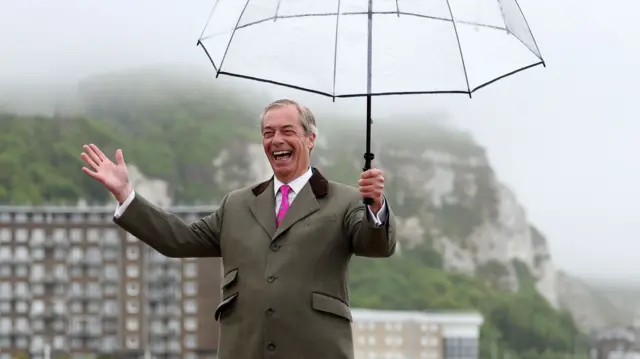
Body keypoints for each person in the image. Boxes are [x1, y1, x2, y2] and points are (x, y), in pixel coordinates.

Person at [80, 99, 396, 359]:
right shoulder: (236, 204)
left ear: (310, 139)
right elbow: (179, 240)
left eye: (288, 131)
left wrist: (375, 206)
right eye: (268, 133)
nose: (277, 140)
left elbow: (376, 245)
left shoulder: (346, 200)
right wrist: (126, 196)